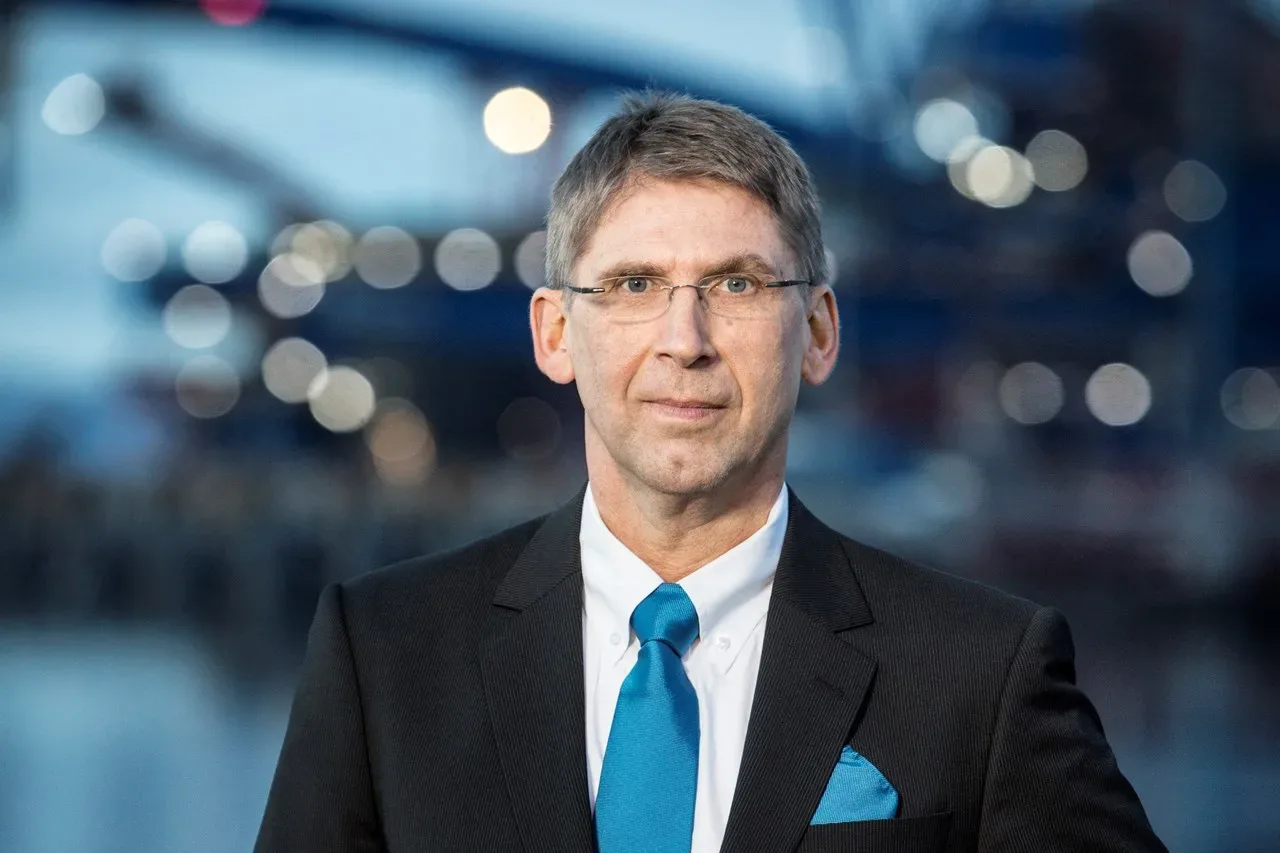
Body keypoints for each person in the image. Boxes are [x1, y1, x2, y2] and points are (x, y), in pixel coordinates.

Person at [255, 92, 1166, 853]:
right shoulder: (383, 655)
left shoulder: (981, 673)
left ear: (816, 333)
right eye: (634, 285)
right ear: (554, 332)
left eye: (736, 285)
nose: (683, 342)